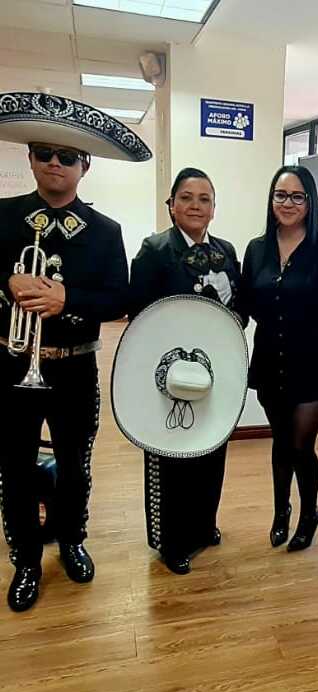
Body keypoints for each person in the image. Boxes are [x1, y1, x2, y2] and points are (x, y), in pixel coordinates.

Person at [0, 91, 151, 611]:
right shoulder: (3, 216)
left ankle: (71, 540)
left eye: (67, 156)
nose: (55, 163)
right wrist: (7, 281)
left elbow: (119, 298)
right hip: (11, 363)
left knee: (75, 465)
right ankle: (25, 559)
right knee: (14, 468)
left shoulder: (106, 231)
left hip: (74, 366)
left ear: (85, 165)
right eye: (44, 153)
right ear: (30, 159)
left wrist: (68, 299)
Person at [128, 167, 243, 575]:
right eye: (187, 198)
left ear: (214, 208)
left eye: (204, 199)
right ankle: (172, 541)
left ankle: (203, 525)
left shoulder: (226, 251)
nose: (196, 206)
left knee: (211, 447)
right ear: (172, 205)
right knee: (171, 454)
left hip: (215, 369)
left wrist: (229, 309)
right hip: (170, 371)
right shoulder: (155, 249)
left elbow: (241, 312)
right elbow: (139, 316)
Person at [239, 166, 318, 551]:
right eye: (280, 195)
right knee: (281, 441)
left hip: (313, 363)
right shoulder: (256, 249)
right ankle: (280, 511)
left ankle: (309, 513)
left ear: (309, 202)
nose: (287, 203)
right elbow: (245, 304)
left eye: (297, 196)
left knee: (302, 444)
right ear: (271, 200)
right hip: (271, 359)